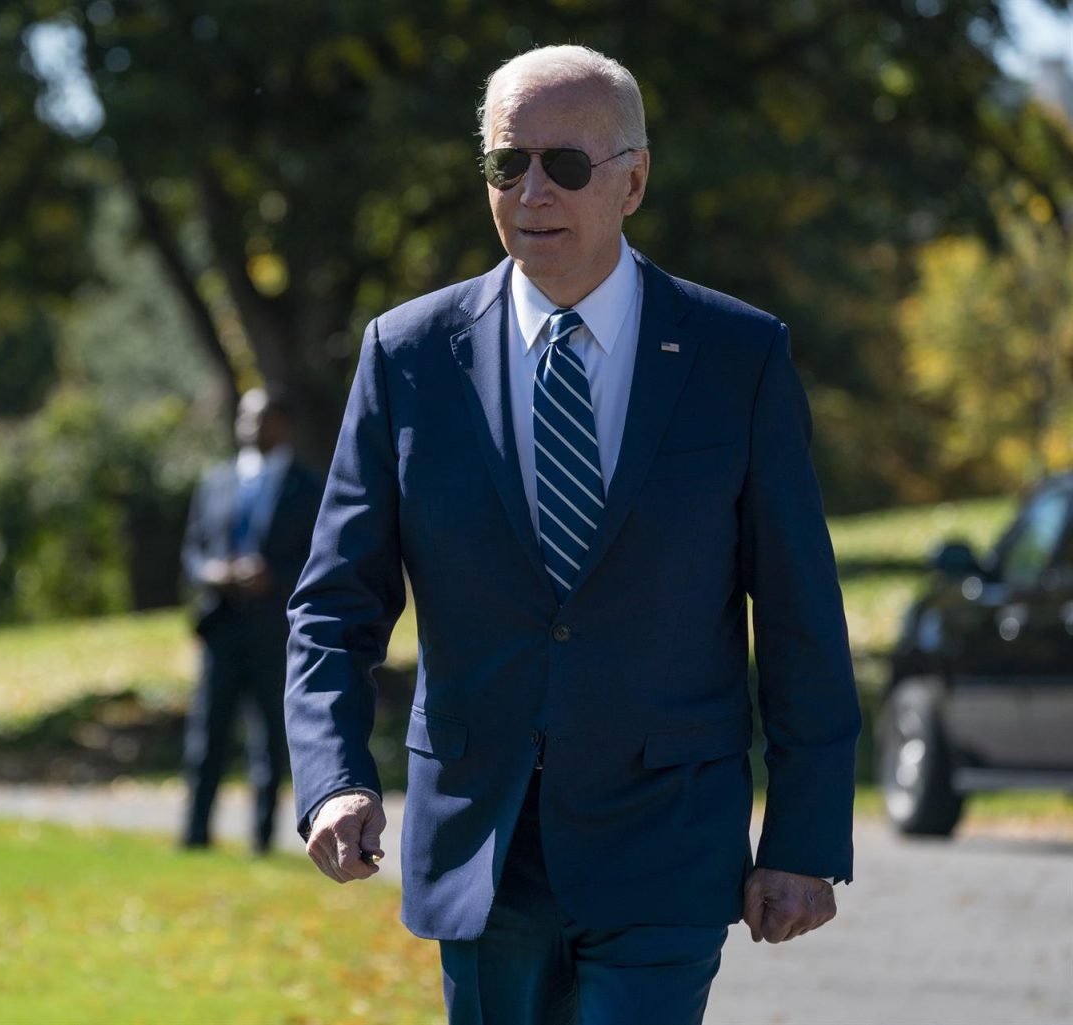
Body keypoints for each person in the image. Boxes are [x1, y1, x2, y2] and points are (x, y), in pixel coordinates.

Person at [284, 45, 860, 1024]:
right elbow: (335, 601)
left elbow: (800, 606)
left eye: (567, 165)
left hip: (667, 837)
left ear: (633, 179)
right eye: (509, 165)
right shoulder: (407, 354)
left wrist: (804, 834)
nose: (533, 190)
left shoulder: (738, 356)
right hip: (480, 839)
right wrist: (333, 777)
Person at [180, 389, 323, 854]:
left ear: (283, 425)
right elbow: (193, 550)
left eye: (260, 418)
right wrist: (212, 573)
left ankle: (262, 840)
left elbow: (320, 557)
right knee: (207, 736)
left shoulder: (310, 487)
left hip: (275, 630)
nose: (248, 427)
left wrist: (275, 578)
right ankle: (195, 836)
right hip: (222, 626)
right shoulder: (216, 481)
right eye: (243, 417)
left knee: (269, 739)